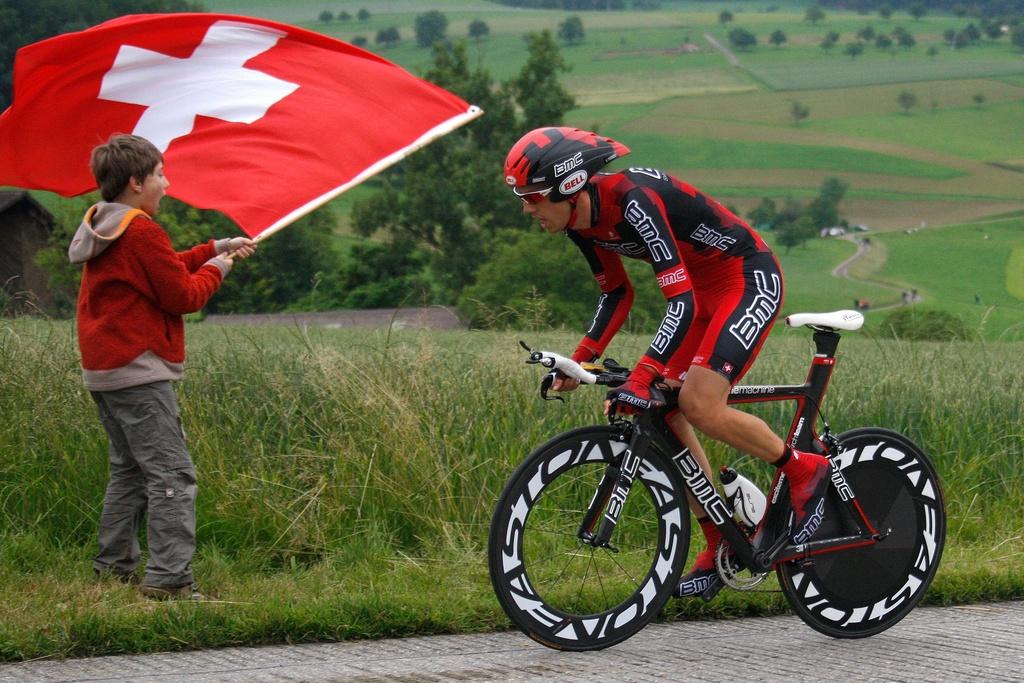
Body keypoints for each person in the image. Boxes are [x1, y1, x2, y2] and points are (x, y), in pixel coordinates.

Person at [504, 127, 831, 599]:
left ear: (570, 185)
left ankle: (804, 470)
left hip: (746, 278)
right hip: (699, 293)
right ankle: (720, 537)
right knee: (660, 410)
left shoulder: (634, 201)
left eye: (533, 196)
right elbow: (616, 293)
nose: (527, 208)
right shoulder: (578, 222)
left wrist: (642, 374)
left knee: (699, 403)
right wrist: (578, 362)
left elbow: (675, 299)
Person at [68, 134, 256, 600]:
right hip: (139, 370)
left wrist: (215, 246)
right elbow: (182, 295)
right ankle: (170, 581)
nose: (167, 184)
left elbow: (162, 268)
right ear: (136, 182)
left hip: (107, 371)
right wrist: (218, 268)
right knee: (172, 475)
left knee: (129, 470)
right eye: (160, 174)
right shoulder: (142, 229)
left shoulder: (107, 224)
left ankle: (114, 569)